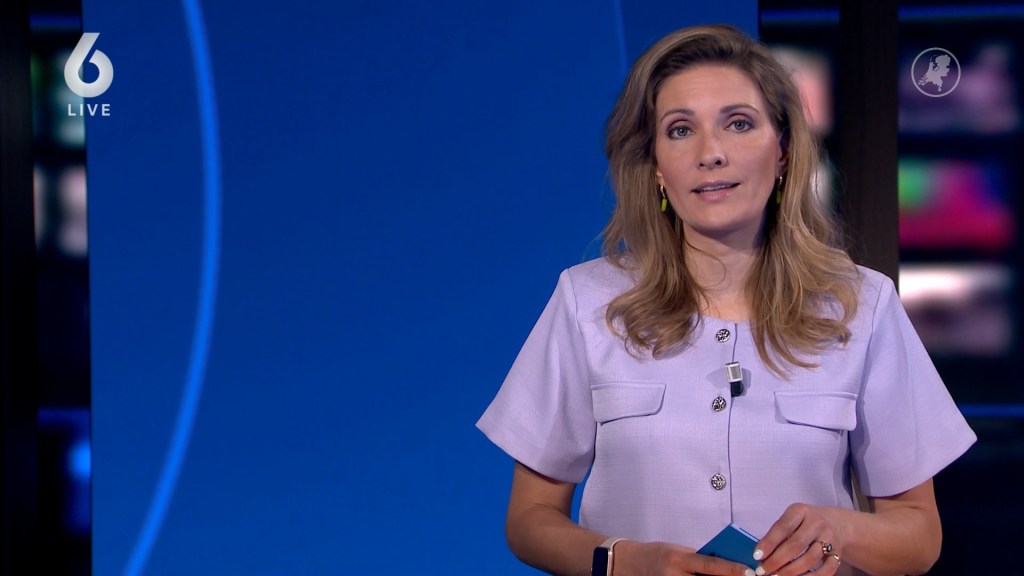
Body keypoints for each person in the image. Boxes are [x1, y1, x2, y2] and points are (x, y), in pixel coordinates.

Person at [476, 24, 976, 576]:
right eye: (680, 130)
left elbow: (918, 534)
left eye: (738, 124)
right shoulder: (588, 302)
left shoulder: (862, 305)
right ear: (656, 166)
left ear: (783, 151)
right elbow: (530, 518)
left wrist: (841, 531)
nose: (710, 153)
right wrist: (625, 561)